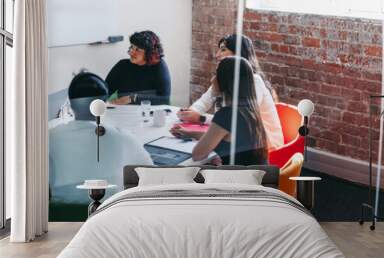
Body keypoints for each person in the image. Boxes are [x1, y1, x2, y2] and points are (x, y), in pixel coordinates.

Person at [49, 75, 152, 204]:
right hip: (111, 215)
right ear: (103, 105)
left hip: (61, 216)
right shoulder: (124, 138)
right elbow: (150, 176)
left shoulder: (50, 137)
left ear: (70, 103)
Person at [177, 34, 283, 150]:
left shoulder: (254, 81)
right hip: (239, 141)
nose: (217, 55)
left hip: (264, 147)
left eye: (223, 50)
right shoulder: (225, 77)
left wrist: (200, 118)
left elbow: (240, 122)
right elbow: (204, 101)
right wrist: (190, 112)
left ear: (238, 55)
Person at [172, 56, 267, 165]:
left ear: (226, 81)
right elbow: (217, 138)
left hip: (235, 179)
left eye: (216, 74)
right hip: (255, 177)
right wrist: (188, 133)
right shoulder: (250, 110)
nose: (212, 79)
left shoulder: (227, 115)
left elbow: (197, 154)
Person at [105, 30, 171, 105]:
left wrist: (132, 98)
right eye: (132, 47)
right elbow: (105, 91)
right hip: (124, 112)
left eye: (138, 50)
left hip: (149, 113)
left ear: (149, 53)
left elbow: (164, 99)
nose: (131, 52)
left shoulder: (159, 66)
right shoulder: (122, 65)